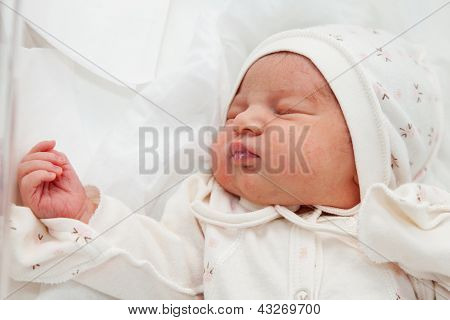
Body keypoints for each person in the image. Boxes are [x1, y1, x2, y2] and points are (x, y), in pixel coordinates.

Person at [8, 25, 450, 299]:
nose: (245, 122)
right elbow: (165, 276)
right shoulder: (213, 209)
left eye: (285, 110)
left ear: (367, 152)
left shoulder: (411, 218)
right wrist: (84, 216)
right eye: (234, 112)